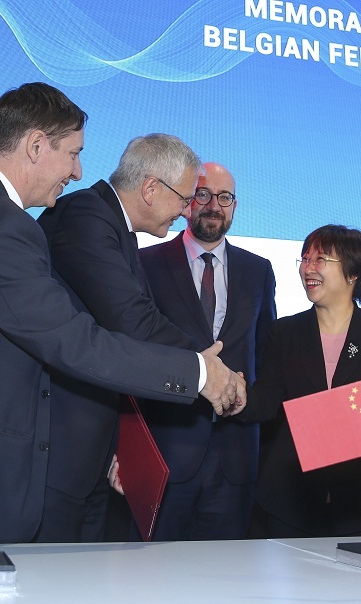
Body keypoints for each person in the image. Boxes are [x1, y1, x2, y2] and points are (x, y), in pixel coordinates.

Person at [0, 83, 241, 550]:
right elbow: (75, 342)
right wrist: (198, 372)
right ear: (36, 145)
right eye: (73, 154)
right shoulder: (3, 226)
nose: (77, 171)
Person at [35, 135, 246, 542]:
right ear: (151, 188)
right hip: (59, 449)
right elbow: (131, 321)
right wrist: (207, 368)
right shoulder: (87, 216)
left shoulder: (117, 230)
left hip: (90, 452)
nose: (186, 211)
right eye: (184, 199)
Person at [241, 225, 361, 538]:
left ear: (353, 273)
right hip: (292, 501)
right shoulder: (285, 332)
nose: (308, 268)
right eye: (305, 259)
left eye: (320, 259)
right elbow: (266, 402)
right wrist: (236, 394)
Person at [136, 162, 276, 540]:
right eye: (203, 194)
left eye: (224, 197)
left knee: (226, 572)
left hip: (236, 460)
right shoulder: (146, 264)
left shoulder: (259, 271)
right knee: (154, 570)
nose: (214, 205)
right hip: (167, 452)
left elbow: (265, 356)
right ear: (186, 202)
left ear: (235, 206)